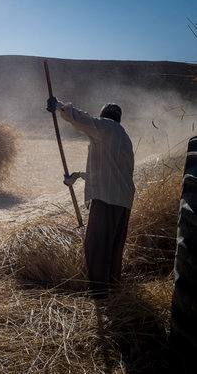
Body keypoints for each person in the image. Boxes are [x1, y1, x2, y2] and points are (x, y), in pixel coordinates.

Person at [47, 97, 135, 298]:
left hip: (106, 200)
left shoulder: (106, 128)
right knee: (113, 247)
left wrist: (59, 106)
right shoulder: (123, 137)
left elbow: (83, 120)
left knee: (96, 245)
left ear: (105, 117)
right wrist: (77, 176)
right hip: (122, 200)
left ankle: (99, 293)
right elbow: (108, 172)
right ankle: (112, 289)